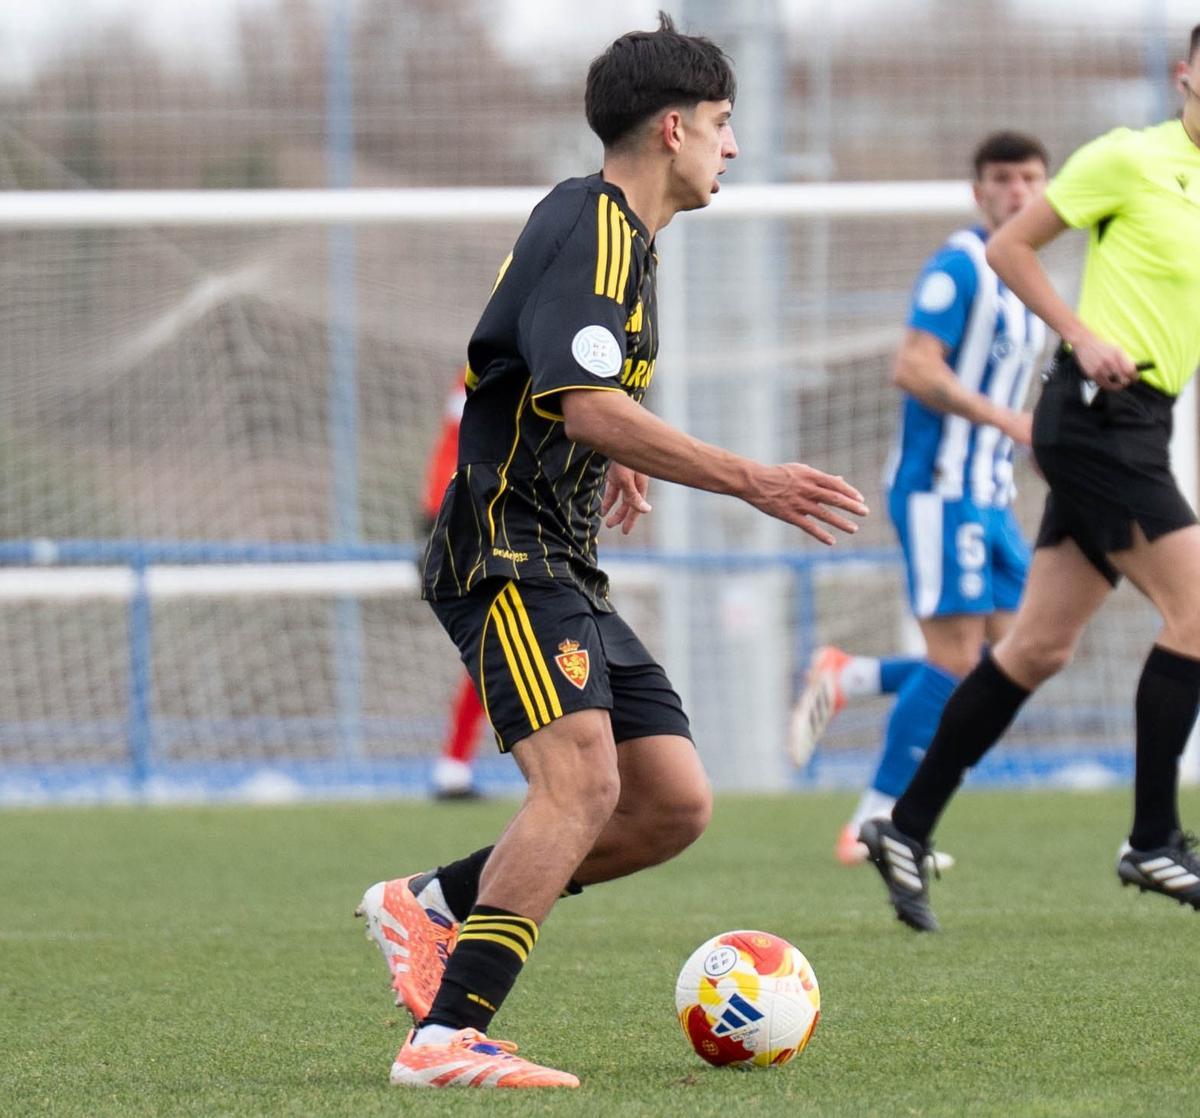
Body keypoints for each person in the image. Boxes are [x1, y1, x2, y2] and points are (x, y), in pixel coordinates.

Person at [354, 13, 868, 1088]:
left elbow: (544, 371)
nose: (733, 146)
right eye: (724, 125)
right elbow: (581, 398)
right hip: (505, 548)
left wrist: (611, 449)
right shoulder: (595, 222)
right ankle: (445, 1037)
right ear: (673, 126)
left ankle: (432, 901)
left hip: (560, 553)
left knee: (670, 801)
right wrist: (749, 476)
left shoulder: (617, 236)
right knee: (581, 785)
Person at [861, 24, 1200, 933]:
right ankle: (1155, 836)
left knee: (1036, 649)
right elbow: (1013, 247)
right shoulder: (1130, 159)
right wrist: (1080, 334)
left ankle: (906, 822)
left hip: (1146, 422)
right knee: (1197, 614)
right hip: (1093, 415)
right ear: (1185, 75)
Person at [789, 133, 1050, 869]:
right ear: (979, 190)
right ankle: (873, 821)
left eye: (1032, 179)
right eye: (1003, 179)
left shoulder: (1025, 279)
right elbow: (913, 366)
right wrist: (1007, 423)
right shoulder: (959, 268)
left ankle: (852, 676)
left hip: (991, 496)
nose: (1019, 193)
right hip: (942, 490)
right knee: (955, 659)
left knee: (1022, 654)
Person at [420, 373, 487, 800]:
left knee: (492, 652)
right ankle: (454, 765)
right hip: (464, 521)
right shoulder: (489, 369)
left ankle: (455, 765)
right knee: (495, 650)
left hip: (459, 518)